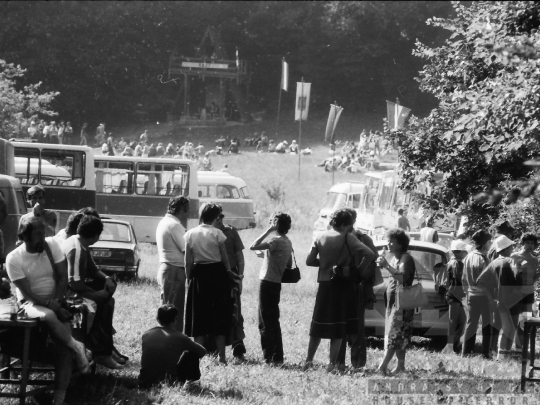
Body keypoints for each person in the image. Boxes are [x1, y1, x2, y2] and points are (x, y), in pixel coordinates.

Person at [7, 217, 89, 405]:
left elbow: (62, 278)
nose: (42, 237)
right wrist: (52, 306)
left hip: (57, 303)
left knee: (64, 353)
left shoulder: (52, 245)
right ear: (25, 235)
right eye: (37, 233)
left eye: (43, 232)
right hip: (31, 305)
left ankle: (58, 400)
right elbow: (27, 294)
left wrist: (58, 302)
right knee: (48, 315)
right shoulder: (14, 258)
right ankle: (77, 347)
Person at [304, 209, 374, 371]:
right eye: (349, 224)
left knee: (318, 325)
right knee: (339, 327)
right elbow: (369, 254)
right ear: (344, 224)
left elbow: (309, 260)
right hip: (343, 286)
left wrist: (325, 265)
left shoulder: (320, 236)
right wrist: (357, 270)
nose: (351, 227)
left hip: (325, 286)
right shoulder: (347, 238)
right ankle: (331, 364)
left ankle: (308, 361)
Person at [63, 215, 125, 368]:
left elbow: (92, 269)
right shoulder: (75, 249)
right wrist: (96, 294)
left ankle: (104, 349)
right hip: (67, 294)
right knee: (100, 301)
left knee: (108, 300)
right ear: (95, 235)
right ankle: (101, 351)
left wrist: (106, 279)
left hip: (74, 290)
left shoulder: (81, 244)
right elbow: (74, 283)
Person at [184, 203, 237, 364]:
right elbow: (224, 258)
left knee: (199, 316)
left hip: (199, 274)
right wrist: (228, 272)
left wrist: (188, 278)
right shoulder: (218, 233)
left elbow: (187, 261)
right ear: (215, 217)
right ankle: (221, 357)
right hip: (217, 274)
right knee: (219, 315)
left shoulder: (190, 234)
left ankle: (197, 356)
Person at [336, 208, 378, 368]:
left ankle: (358, 363)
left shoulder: (362, 238)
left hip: (358, 288)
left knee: (357, 328)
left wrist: (359, 275)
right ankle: (338, 362)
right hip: (340, 286)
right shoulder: (336, 236)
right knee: (340, 326)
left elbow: (372, 258)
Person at [250, 212, 293, 364]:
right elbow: (287, 264)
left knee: (264, 321)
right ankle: (278, 356)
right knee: (274, 320)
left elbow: (252, 246)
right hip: (276, 283)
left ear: (276, 224)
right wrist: (268, 255)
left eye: (272, 222)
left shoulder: (274, 239)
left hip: (266, 282)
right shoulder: (287, 241)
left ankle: (269, 356)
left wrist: (268, 231)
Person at [375, 228, 416, 375]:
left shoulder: (406, 259)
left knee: (394, 335)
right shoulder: (394, 259)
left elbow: (403, 278)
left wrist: (386, 266)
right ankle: (400, 367)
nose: (388, 243)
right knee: (399, 335)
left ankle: (382, 366)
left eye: (392, 241)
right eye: (388, 240)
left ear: (400, 244)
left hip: (402, 303)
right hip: (393, 302)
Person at [138, 304, 206, 389]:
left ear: (157, 319)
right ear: (175, 319)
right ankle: (193, 384)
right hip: (169, 384)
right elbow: (202, 352)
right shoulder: (181, 338)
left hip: (144, 382)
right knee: (192, 354)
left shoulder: (146, 334)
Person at [476, 235, 519, 360]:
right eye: (511, 247)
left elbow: (480, 281)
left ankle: (503, 356)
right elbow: (519, 278)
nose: (512, 249)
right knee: (508, 329)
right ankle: (501, 358)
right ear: (506, 248)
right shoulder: (510, 261)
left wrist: (490, 298)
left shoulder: (494, 263)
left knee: (508, 329)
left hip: (499, 301)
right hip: (509, 301)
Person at [215, 211, 247, 360]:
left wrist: (240, 276)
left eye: (221, 217)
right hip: (215, 275)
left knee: (235, 311)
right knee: (216, 311)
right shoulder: (208, 232)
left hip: (232, 276)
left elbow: (239, 255)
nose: (220, 220)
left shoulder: (231, 231)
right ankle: (214, 348)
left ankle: (238, 347)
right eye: (217, 217)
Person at [156, 196, 190, 332]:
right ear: (182, 209)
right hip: (174, 270)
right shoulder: (175, 225)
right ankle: (174, 343)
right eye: (187, 210)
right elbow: (187, 249)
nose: (188, 214)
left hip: (168, 269)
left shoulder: (165, 222)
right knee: (174, 311)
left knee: (166, 310)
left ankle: (166, 340)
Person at [461, 229, 492, 358]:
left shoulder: (468, 256)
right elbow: (487, 279)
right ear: (484, 243)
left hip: (471, 295)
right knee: (487, 323)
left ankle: (466, 351)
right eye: (489, 241)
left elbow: (463, 278)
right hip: (484, 295)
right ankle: (486, 352)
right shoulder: (484, 258)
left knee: (471, 324)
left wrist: (467, 292)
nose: (490, 244)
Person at [512, 233, 540, 352]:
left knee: (525, 320)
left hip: (528, 292)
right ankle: (506, 347)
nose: (530, 245)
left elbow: (535, 276)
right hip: (515, 292)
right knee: (513, 320)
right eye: (527, 242)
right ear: (523, 243)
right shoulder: (514, 256)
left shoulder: (535, 260)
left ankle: (521, 348)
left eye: (532, 243)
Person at [441, 240, 468, 353]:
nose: (466, 253)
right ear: (458, 252)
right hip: (455, 296)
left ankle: (453, 344)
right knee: (454, 321)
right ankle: (450, 346)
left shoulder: (454, 262)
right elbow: (459, 281)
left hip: (456, 296)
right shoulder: (456, 264)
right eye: (464, 251)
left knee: (461, 322)